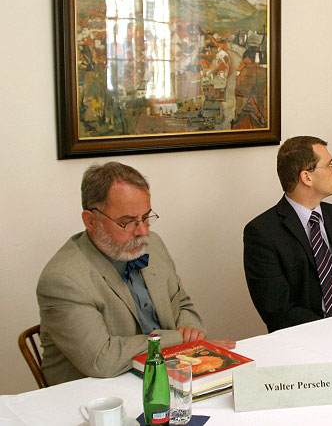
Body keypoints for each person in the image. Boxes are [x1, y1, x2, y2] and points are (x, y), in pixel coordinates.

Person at [37, 162, 206, 385]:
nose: (143, 231)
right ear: (90, 220)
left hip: (163, 374)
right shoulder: (63, 279)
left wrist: (190, 329)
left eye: (146, 217)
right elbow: (102, 360)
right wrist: (177, 338)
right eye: (127, 222)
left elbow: (182, 304)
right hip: (92, 394)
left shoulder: (152, 245)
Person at [243, 136, 332, 332]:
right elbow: (277, 311)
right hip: (309, 336)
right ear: (306, 177)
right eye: (330, 164)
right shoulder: (262, 232)